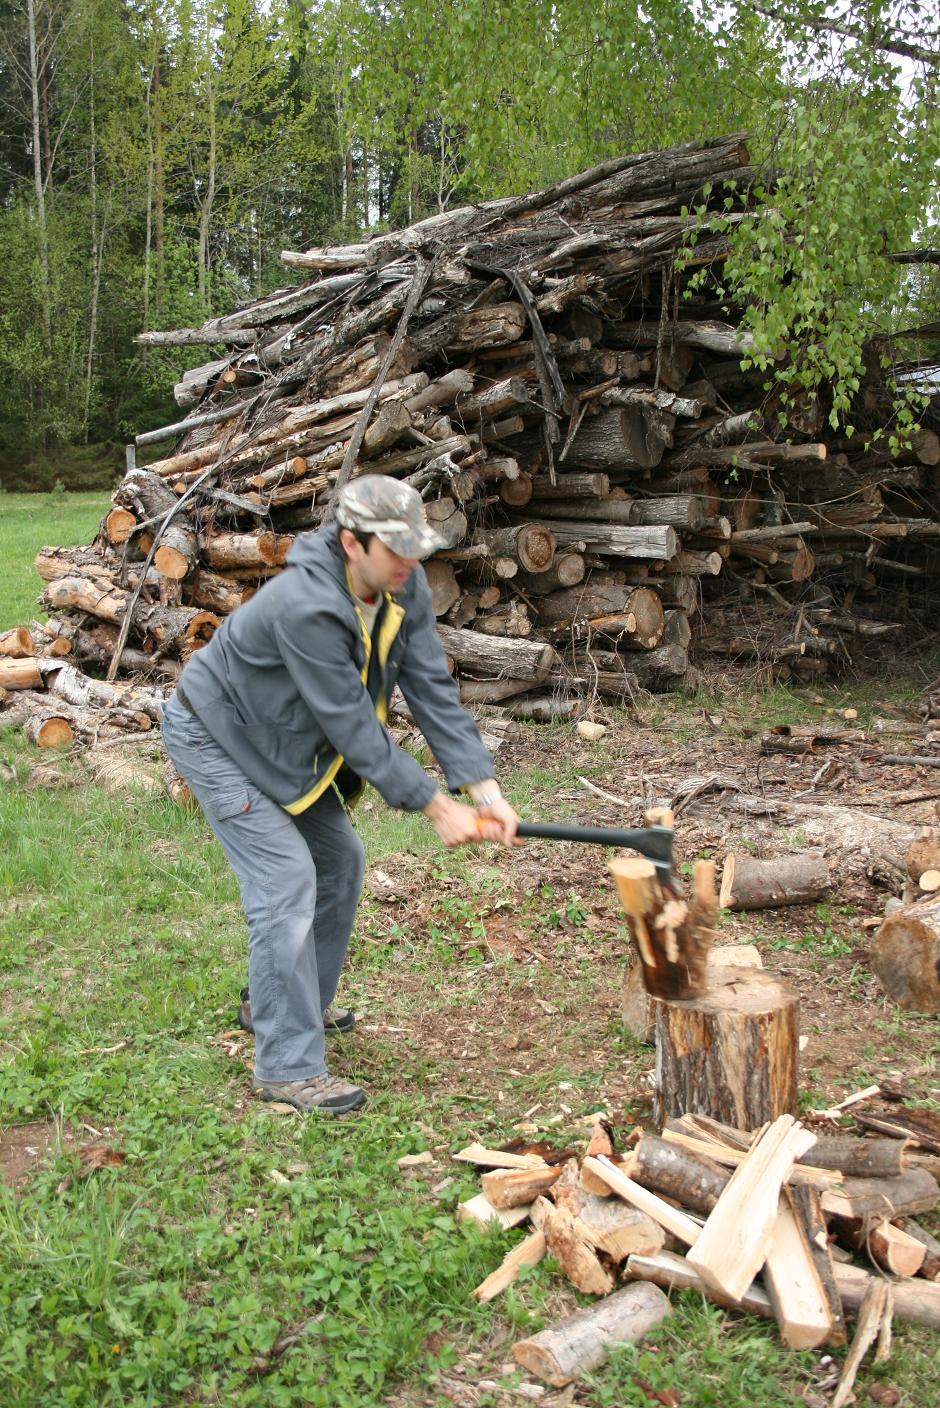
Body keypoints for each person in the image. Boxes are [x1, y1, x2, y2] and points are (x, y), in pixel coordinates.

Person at [161, 476, 519, 1115]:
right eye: (398, 550)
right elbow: (352, 725)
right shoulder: (307, 602)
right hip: (217, 734)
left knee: (341, 861)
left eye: (417, 550)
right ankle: (287, 1065)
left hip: (279, 740)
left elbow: (432, 689)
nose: (413, 564)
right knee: (285, 879)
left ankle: (281, 1004)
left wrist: (483, 789)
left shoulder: (399, 589)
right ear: (352, 542)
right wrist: (436, 805)